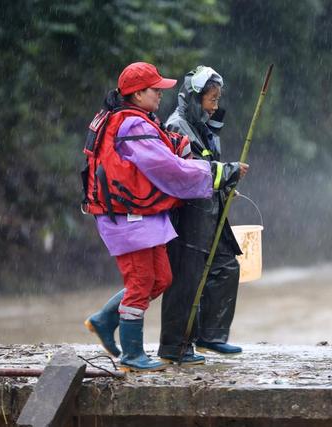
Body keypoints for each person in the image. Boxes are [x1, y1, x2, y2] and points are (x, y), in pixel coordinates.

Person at [81, 62, 247, 372]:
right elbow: (167, 168)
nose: (160, 93)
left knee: (162, 279)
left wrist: (186, 149)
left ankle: (105, 320)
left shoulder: (144, 120)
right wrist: (217, 172)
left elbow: (168, 146)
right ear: (137, 93)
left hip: (146, 215)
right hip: (127, 217)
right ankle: (132, 354)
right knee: (142, 281)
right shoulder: (131, 125)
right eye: (155, 89)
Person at [157, 66, 246, 365]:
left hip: (211, 212)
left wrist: (226, 180)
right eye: (211, 99)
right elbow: (190, 173)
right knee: (186, 279)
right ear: (195, 98)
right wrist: (230, 171)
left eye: (218, 99)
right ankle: (175, 347)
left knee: (226, 267)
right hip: (189, 215)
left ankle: (212, 336)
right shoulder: (177, 126)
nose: (215, 106)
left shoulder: (203, 125)